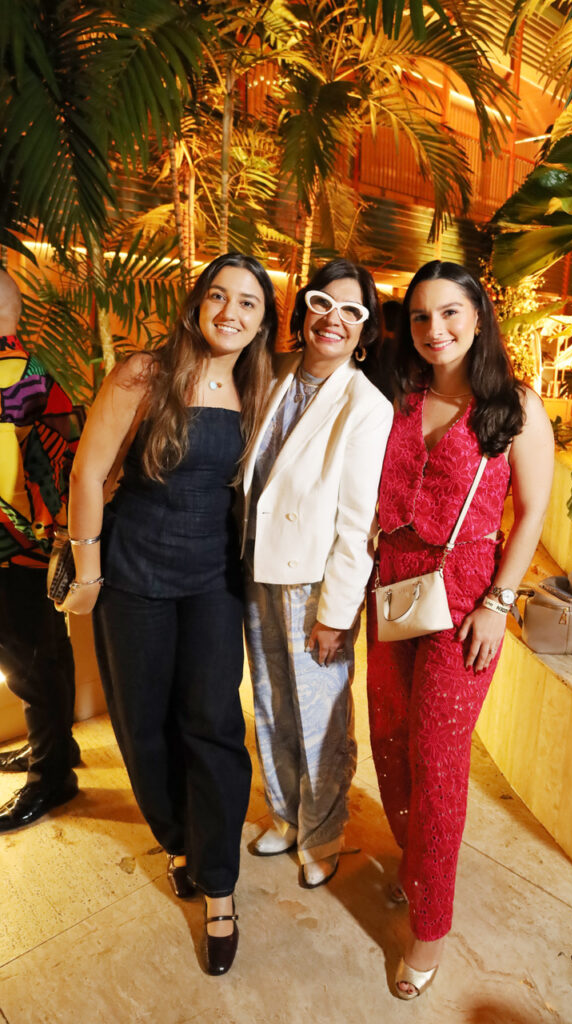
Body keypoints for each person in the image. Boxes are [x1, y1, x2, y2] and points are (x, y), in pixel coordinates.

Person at [58, 253, 278, 976]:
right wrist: (88, 569)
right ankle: (177, 838)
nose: (230, 312)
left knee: (213, 723)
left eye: (248, 302)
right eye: (218, 295)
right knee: (142, 721)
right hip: (133, 571)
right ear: (196, 303)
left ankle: (219, 883)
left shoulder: (259, 387)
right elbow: (89, 470)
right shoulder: (145, 374)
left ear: (262, 322)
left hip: (214, 576)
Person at [366, 260, 554, 999]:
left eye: (449, 312)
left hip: (466, 591)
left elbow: (531, 511)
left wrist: (497, 604)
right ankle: (416, 863)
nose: (434, 328)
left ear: (478, 316)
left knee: (438, 757)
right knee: (388, 732)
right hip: (391, 585)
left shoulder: (514, 406)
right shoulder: (400, 395)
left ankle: (431, 928)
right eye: (420, 316)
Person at [243, 258, 393, 888]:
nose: (334, 319)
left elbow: (359, 523)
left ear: (365, 330)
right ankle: (285, 815)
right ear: (303, 309)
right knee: (271, 703)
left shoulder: (367, 405)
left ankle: (324, 833)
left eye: (351, 311)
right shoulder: (272, 373)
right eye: (322, 303)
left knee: (320, 718)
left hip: (313, 582)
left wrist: (336, 613)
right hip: (256, 566)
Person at [0, 268, 82, 833]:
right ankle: (55, 749)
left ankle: (51, 775)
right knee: (46, 651)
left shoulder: (17, 375)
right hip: (29, 543)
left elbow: (58, 458)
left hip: (16, 547)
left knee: (30, 662)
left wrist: (54, 536)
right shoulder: (29, 371)